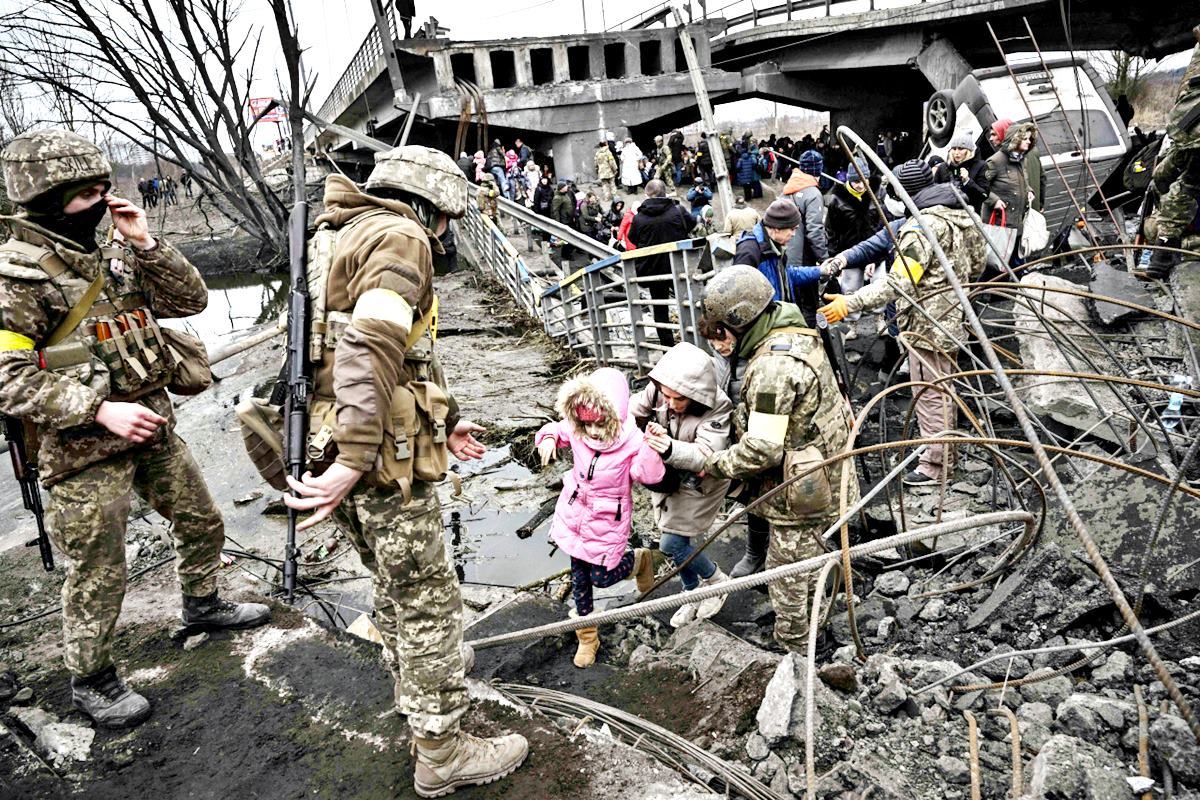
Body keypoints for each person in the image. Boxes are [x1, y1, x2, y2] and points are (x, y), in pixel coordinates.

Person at [0, 129, 270, 728]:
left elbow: (192, 300)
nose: (99, 202)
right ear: (46, 200)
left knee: (202, 519)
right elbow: (8, 376)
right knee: (98, 566)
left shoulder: (113, 256)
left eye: (103, 189)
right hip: (81, 451)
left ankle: (202, 606)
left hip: (152, 426)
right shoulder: (17, 278)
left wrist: (145, 242)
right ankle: (91, 679)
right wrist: (97, 409)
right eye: (85, 194)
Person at [281, 146, 528, 796]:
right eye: (446, 220)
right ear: (431, 207)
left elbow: (385, 356)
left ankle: (415, 685)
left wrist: (445, 421)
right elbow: (370, 347)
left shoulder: (337, 234)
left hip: (339, 433)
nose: (444, 236)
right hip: (378, 451)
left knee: (393, 582)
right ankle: (443, 749)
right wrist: (360, 456)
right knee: (427, 598)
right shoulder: (400, 236)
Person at [699, 266, 855, 652]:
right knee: (813, 552)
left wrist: (713, 465)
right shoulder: (793, 329)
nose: (718, 342)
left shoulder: (773, 367)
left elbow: (763, 450)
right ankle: (814, 614)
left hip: (803, 489)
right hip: (829, 469)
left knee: (785, 568)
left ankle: (795, 645)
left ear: (740, 321)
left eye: (720, 332)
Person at [819, 159, 987, 486]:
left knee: (928, 395)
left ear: (904, 191)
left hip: (927, 326)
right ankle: (946, 454)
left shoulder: (921, 229)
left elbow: (899, 284)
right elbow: (979, 265)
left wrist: (848, 303)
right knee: (944, 389)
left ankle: (935, 468)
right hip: (955, 320)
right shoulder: (963, 214)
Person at [535, 367, 664, 666]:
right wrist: (549, 437)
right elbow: (558, 428)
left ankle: (640, 560)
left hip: (607, 521)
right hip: (574, 514)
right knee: (580, 579)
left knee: (601, 577)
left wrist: (651, 447)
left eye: (599, 424)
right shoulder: (579, 429)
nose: (592, 431)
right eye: (586, 423)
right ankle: (588, 637)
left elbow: (648, 476)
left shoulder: (631, 441)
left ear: (615, 414)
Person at [628, 343, 733, 627]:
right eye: (667, 396)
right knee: (677, 540)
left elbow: (706, 455)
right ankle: (692, 592)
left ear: (695, 394)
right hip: (667, 476)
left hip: (702, 482)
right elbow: (630, 411)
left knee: (671, 542)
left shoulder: (719, 406)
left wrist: (669, 447)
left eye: (679, 400)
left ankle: (716, 581)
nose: (671, 404)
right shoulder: (660, 390)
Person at [1145, 27, 1200, 280]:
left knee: (1186, 184)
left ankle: (1163, 252)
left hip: (1189, 130)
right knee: (1188, 183)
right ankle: (1164, 251)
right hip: (1190, 131)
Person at [627, 179, 692, 348]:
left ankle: (668, 349)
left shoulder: (639, 218)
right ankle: (693, 344)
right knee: (688, 302)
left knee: (660, 310)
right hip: (678, 266)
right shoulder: (678, 211)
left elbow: (632, 238)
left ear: (646, 195)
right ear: (665, 193)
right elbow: (692, 223)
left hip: (654, 270)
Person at [733, 199, 832, 304]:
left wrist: (819, 271)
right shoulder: (749, 252)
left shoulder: (774, 245)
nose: (794, 234)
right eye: (792, 229)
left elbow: (787, 275)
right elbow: (739, 296)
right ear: (777, 229)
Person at [780, 150, 830, 326]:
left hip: (785, 258)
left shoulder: (787, 190)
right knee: (809, 305)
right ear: (818, 171)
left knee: (792, 305)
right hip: (804, 259)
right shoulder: (813, 194)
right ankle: (812, 340)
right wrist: (825, 260)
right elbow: (814, 231)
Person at [983, 121, 1037, 264]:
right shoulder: (995, 161)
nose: (1028, 142)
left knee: (1015, 263)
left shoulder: (1021, 160)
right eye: (1025, 139)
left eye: (1029, 139)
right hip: (1001, 225)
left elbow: (1022, 180)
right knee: (996, 266)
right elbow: (979, 186)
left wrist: (1028, 190)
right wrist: (994, 200)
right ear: (1015, 139)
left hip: (1017, 222)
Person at [933, 134, 989, 210]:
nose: (956, 152)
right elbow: (934, 191)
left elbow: (984, 195)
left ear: (969, 151)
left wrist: (967, 181)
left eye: (961, 149)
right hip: (945, 212)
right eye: (954, 148)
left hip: (970, 214)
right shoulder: (943, 167)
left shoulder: (981, 166)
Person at [594, 139, 618, 204]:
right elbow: (612, 162)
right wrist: (615, 169)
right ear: (606, 144)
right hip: (609, 172)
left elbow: (596, 164)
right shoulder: (608, 152)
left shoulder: (597, 153)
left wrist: (597, 171)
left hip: (601, 172)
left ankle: (606, 197)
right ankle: (615, 197)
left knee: (604, 185)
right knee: (612, 184)